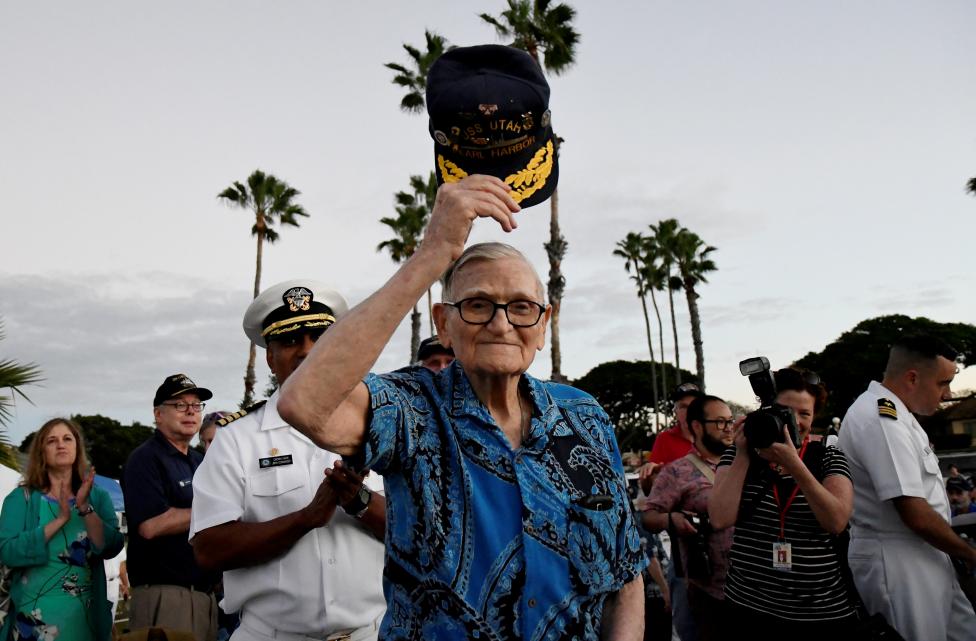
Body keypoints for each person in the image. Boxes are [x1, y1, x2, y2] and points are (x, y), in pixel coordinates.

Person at [276, 179, 647, 638]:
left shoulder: (584, 416)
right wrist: (433, 253)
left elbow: (625, 574)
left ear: (543, 324)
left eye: (521, 307)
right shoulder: (411, 408)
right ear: (443, 323)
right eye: (477, 305)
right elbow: (304, 403)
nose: (501, 324)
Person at [190, 280, 387, 641]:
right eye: (290, 340)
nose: (306, 350)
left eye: (319, 338)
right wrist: (304, 519)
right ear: (270, 357)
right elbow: (209, 549)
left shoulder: (379, 426)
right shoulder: (236, 438)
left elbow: (420, 531)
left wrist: (360, 501)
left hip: (371, 633)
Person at [839, 335, 976, 640]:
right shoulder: (880, 419)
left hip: (927, 551)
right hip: (898, 560)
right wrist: (969, 553)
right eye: (943, 383)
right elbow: (914, 512)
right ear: (912, 378)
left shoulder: (900, 417)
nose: (947, 394)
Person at [709, 368, 858, 639]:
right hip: (747, 606)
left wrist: (794, 464)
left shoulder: (828, 456)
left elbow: (836, 521)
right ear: (766, 411)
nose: (795, 422)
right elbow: (719, 517)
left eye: (805, 414)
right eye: (786, 411)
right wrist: (743, 453)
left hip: (820, 612)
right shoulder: (738, 456)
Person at [0, 418, 124, 641]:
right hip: (31, 623)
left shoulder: (97, 496)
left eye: (67, 439)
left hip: (84, 622)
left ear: (77, 448)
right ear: (42, 451)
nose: (60, 445)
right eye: (52, 440)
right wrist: (59, 520)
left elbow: (111, 547)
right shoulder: (21, 498)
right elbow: (7, 552)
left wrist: (85, 508)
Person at [123, 373, 220, 640]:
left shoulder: (199, 460)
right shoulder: (145, 459)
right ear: (158, 414)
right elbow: (151, 526)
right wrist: (216, 510)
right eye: (179, 405)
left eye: (196, 405)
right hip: (166, 597)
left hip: (205, 597)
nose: (190, 411)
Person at [644, 395, 735, 640]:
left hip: (755, 590)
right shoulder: (676, 472)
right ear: (697, 426)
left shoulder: (745, 463)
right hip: (710, 592)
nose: (729, 428)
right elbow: (648, 517)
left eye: (730, 421)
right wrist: (672, 520)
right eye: (720, 422)